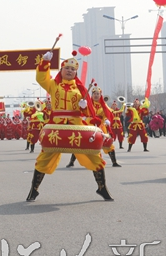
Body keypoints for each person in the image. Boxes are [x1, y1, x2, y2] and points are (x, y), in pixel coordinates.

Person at [26, 51, 113, 202]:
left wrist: (84, 106)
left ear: (76, 73)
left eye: (73, 69)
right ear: (61, 70)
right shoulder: (53, 84)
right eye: (67, 68)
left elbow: (89, 112)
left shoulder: (80, 89)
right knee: (44, 157)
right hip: (57, 126)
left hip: (76, 126)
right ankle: (34, 190)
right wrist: (45, 63)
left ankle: (102, 187)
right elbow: (41, 78)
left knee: (94, 156)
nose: (70, 71)